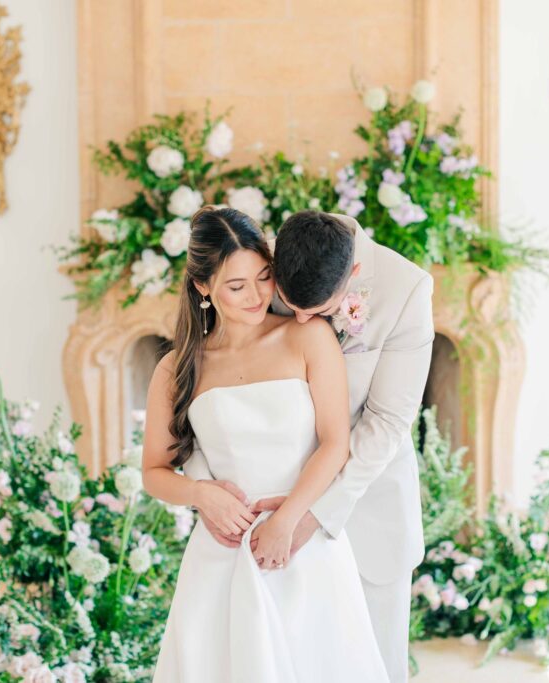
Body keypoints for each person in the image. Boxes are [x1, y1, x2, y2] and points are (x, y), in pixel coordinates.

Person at [185, 210, 435, 682]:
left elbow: (387, 421)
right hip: (265, 516)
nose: (301, 321)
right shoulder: (273, 262)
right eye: (288, 303)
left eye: (316, 312)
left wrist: (309, 515)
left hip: (364, 507)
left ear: (354, 276)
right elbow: (209, 384)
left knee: (373, 666)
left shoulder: (407, 291)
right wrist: (207, 491)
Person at [142, 206, 389, 682]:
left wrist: (288, 520)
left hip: (304, 544)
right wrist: (199, 494)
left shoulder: (308, 336)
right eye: (236, 286)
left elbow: (335, 444)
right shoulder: (176, 369)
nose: (256, 296)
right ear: (202, 287)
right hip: (221, 555)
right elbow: (153, 471)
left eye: (263, 277)